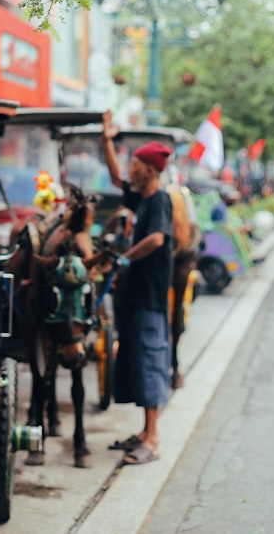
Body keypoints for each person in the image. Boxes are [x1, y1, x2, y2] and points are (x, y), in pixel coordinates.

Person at [100, 109, 174, 466]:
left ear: (149, 169)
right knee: (134, 362)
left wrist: (125, 258)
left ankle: (154, 439)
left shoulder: (160, 200)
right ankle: (143, 432)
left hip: (149, 297)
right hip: (134, 297)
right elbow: (115, 177)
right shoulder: (142, 199)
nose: (130, 169)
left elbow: (158, 239)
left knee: (149, 362)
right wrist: (107, 140)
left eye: (135, 164)